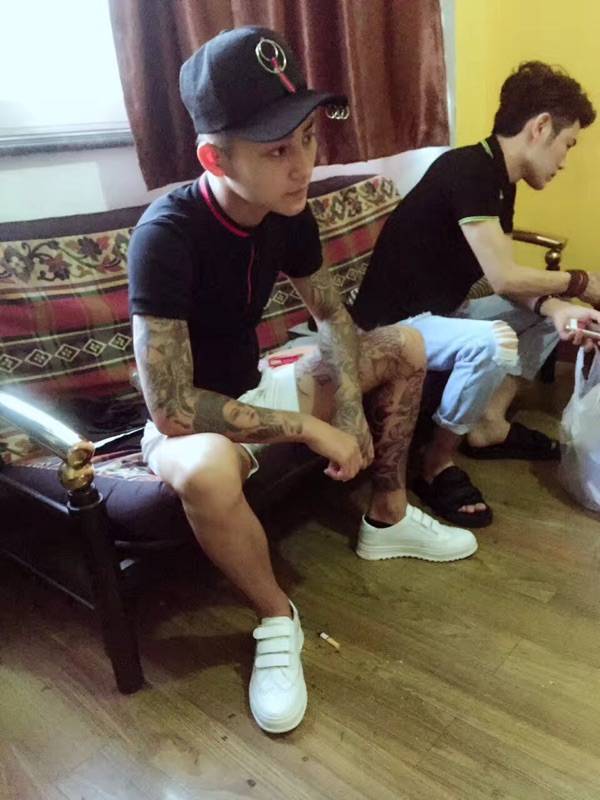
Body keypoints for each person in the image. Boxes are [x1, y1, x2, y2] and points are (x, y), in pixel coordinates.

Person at [127, 27, 477, 735]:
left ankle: (388, 515)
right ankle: (276, 617)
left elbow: (332, 318)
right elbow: (171, 408)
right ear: (214, 158)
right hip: (192, 425)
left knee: (405, 346)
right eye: (277, 150)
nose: (304, 166)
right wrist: (312, 428)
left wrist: (345, 408)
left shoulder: (288, 214)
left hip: (259, 385)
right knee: (207, 469)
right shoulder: (166, 235)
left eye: (309, 140)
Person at [351, 60, 600, 529]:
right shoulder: (468, 170)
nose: (565, 161)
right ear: (540, 127)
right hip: (392, 329)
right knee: (493, 341)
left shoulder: (499, 180)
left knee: (557, 315)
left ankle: (489, 425)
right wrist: (580, 281)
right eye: (567, 144)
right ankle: (435, 464)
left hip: (442, 313)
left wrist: (559, 306)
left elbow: (506, 278)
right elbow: (504, 277)